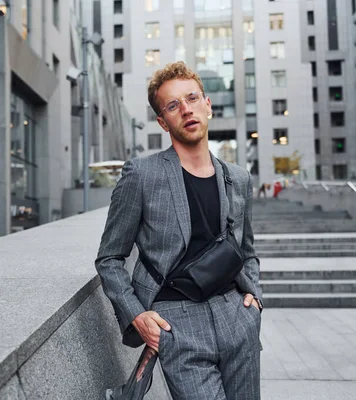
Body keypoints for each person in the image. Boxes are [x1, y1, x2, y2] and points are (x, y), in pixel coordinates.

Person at [95, 61, 263, 400]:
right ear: (162, 121)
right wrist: (137, 316)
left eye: (191, 98)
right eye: (173, 105)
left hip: (236, 313)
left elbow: (247, 249)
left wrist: (255, 299)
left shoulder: (238, 178)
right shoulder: (142, 175)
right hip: (176, 321)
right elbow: (110, 258)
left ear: (207, 105)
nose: (185, 109)